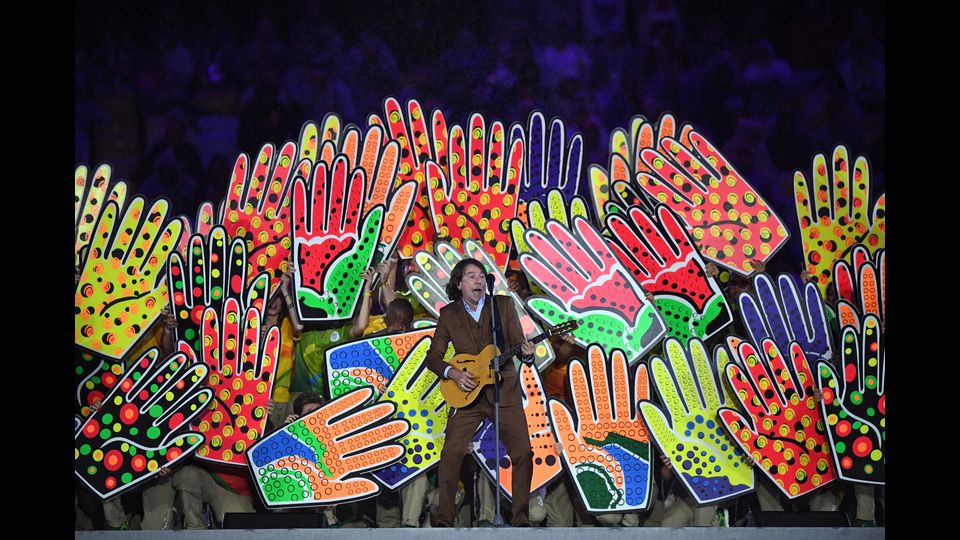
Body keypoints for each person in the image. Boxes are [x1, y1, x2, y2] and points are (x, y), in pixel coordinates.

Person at [423, 258, 535, 527]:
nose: (478, 280)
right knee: (450, 453)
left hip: (503, 391)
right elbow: (434, 357)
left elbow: (519, 343)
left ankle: (520, 519)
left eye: (481, 276)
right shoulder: (449, 314)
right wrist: (454, 374)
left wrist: (528, 356)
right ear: (459, 284)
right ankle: (445, 521)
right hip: (466, 393)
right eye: (471, 276)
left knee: (523, 453)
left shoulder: (503, 305)